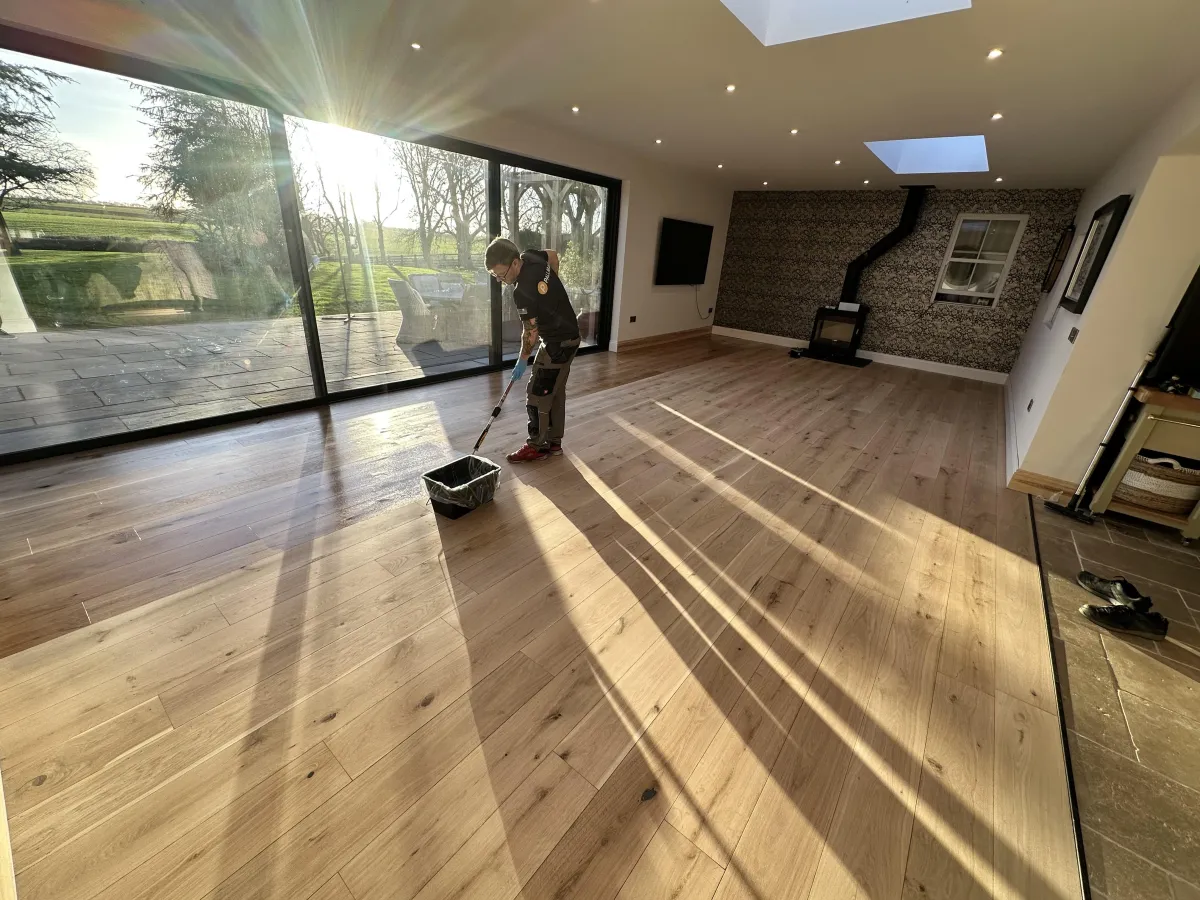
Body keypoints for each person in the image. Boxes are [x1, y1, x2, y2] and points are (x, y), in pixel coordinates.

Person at [486, 237, 581, 462]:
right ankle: (554, 443)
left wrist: (522, 360)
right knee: (555, 392)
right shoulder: (532, 256)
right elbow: (553, 255)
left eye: (501, 274)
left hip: (557, 344)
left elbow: (530, 332)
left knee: (537, 394)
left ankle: (537, 446)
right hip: (572, 337)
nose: (501, 280)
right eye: (495, 276)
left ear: (515, 263)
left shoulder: (522, 291)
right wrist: (550, 292)